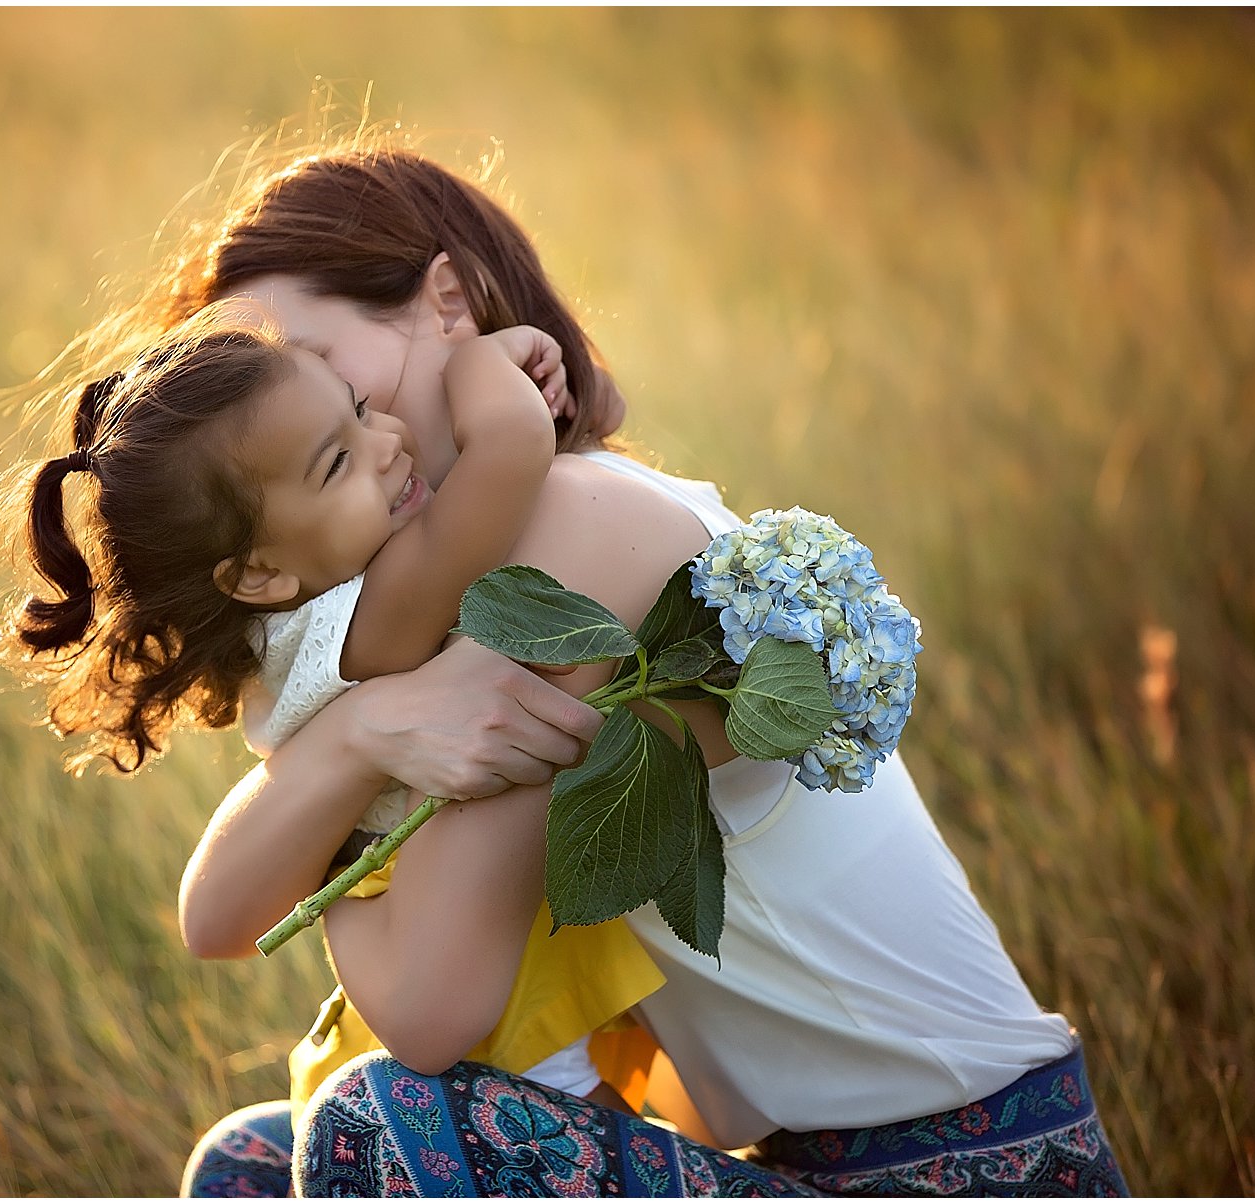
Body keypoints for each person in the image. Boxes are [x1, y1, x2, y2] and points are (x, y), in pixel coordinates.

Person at [144, 141, 1130, 1197]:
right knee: (248, 1165)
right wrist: (348, 735)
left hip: (970, 1168)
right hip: (805, 1163)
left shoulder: (564, 533)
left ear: (450, 302)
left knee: (372, 1129)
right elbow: (218, 921)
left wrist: (343, 793)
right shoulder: (484, 580)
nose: (327, 425)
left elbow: (431, 1009)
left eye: (326, 376)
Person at [0, 302, 668, 1127]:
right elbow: (513, 452)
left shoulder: (293, 629)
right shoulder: (363, 621)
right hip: (458, 972)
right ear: (260, 574)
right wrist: (482, 364)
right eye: (338, 463)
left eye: (361, 407)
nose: (389, 443)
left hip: (452, 925)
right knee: (573, 1117)